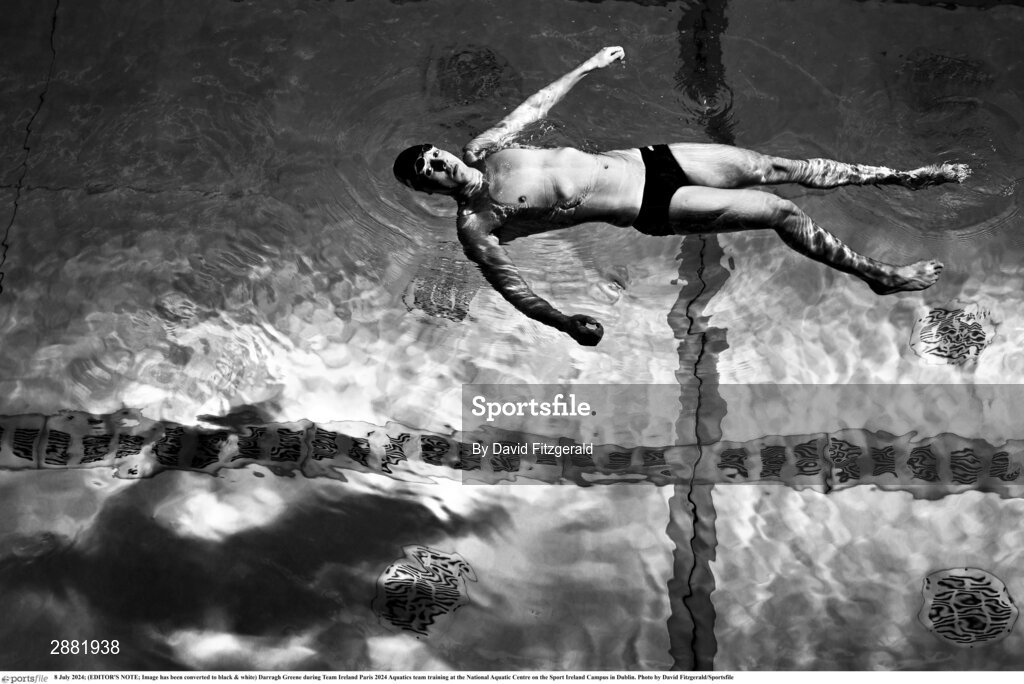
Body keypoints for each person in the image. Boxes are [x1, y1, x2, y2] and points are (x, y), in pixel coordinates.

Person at [394, 47, 969, 346]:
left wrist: (587, 68)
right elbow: (511, 287)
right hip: (652, 206)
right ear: (429, 187)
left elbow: (535, 108)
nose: (436, 162)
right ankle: (878, 273)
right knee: (780, 211)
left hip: (651, 158)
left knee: (775, 165)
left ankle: (901, 176)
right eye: (426, 170)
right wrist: (565, 322)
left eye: (430, 152)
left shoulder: (483, 147)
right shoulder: (477, 226)